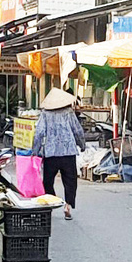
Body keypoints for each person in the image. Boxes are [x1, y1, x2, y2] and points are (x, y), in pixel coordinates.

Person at [32, 88, 87, 219]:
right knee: (70, 180)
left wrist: (35, 151)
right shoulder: (69, 113)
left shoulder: (45, 114)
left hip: (51, 154)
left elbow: (38, 133)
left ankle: (49, 207)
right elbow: (77, 130)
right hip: (68, 152)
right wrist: (82, 145)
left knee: (48, 182)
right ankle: (68, 205)